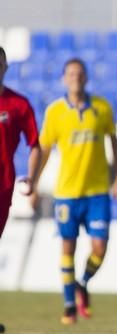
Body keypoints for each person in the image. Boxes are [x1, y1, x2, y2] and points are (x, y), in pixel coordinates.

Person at [32, 58, 117, 325]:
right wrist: (35, 184)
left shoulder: (102, 107)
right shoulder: (55, 112)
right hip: (67, 193)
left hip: (97, 192)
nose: (76, 77)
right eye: (71, 73)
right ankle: (69, 305)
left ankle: (83, 282)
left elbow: (114, 143)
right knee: (67, 247)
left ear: (86, 77)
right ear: (64, 78)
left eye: (80, 73)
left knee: (99, 247)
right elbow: (46, 149)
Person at [0, 46, 41, 238]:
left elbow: (34, 145)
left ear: (6, 67)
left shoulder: (19, 104)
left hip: (4, 183)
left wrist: (32, 177)